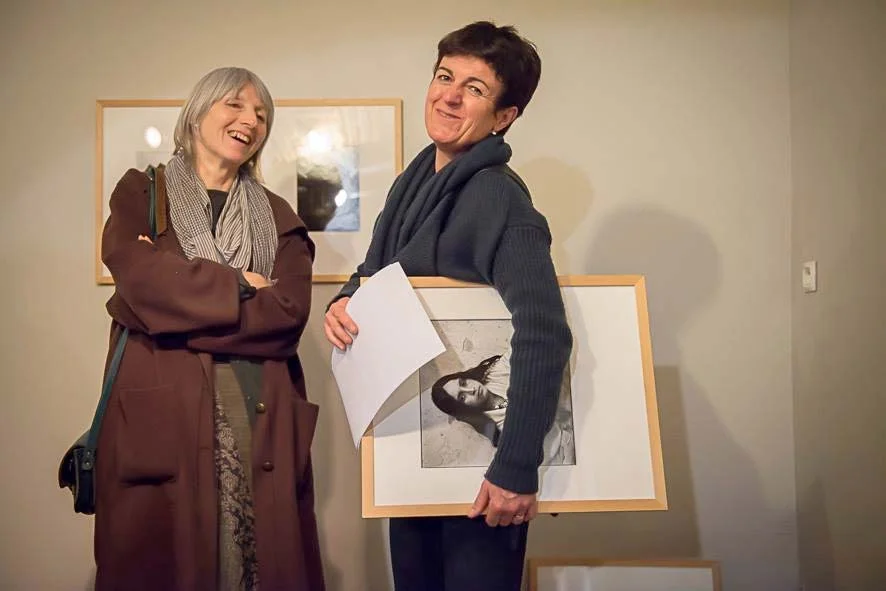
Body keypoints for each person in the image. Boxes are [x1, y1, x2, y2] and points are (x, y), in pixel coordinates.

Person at [324, 21, 572, 591]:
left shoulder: (499, 198)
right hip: (414, 448)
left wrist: (515, 467)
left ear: (503, 116)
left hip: (482, 472)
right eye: (444, 76)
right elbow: (376, 274)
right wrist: (346, 299)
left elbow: (544, 332)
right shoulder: (412, 182)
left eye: (474, 88)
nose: (449, 96)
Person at [95, 67, 324, 591]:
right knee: (165, 559)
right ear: (198, 112)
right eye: (235, 105)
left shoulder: (278, 215)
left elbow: (288, 315)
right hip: (164, 420)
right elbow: (139, 281)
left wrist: (170, 315)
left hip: (257, 410)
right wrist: (242, 284)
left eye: (261, 114)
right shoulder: (143, 194)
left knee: (257, 563)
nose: (251, 120)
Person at [431, 350, 575, 465]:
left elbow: (525, 345)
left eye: (463, 383)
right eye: (462, 397)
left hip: (574, 401)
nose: (471, 389)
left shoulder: (495, 372)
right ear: (462, 410)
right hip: (564, 450)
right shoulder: (500, 430)